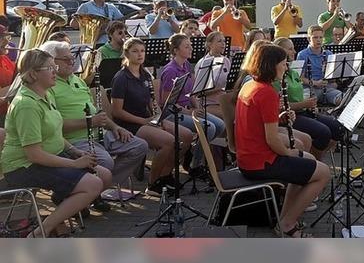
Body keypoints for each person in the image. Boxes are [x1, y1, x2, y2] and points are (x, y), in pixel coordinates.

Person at [0, 49, 106, 237]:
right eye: (49, 68)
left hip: (49, 157)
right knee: (93, 185)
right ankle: (43, 230)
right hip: (23, 166)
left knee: (103, 174)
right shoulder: (27, 104)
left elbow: (54, 134)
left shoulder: (46, 94)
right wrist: (74, 164)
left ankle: (60, 211)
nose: (55, 71)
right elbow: (34, 154)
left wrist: (74, 151)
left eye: (54, 66)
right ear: (32, 74)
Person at [235, 44, 330, 237]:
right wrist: (289, 153)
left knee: (309, 161)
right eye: (283, 64)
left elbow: (257, 122)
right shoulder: (267, 92)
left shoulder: (250, 86)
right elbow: (272, 140)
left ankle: (284, 217)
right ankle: (287, 225)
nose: (286, 68)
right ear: (271, 65)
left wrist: (279, 118)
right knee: (324, 173)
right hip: (260, 161)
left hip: (247, 157)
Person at [39, 40, 149, 208]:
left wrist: (115, 127)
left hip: (98, 134)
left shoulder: (78, 80)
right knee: (106, 162)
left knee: (139, 146)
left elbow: (96, 112)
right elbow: (54, 126)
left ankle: (90, 189)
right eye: (66, 59)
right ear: (52, 61)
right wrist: (89, 122)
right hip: (74, 140)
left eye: (72, 58)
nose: (72, 62)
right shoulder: (49, 86)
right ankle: (85, 191)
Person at [110, 38, 193, 196]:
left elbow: (151, 101)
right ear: (126, 54)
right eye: (135, 51)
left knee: (187, 136)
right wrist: (145, 121)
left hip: (147, 120)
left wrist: (157, 117)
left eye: (142, 51)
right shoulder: (121, 78)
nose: (140, 54)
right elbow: (117, 112)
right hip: (130, 124)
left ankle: (165, 175)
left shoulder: (145, 75)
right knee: (169, 141)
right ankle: (153, 183)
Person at [159, 34, 225, 171]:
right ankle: (195, 163)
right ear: (176, 50)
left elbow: (193, 91)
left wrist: (197, 107)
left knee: (220, 125)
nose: (191, 48)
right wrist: (190, 112)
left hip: (188, 109)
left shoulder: (186, 65)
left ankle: (193, 151)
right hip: (173, 113)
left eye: (191, 45)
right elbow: (166, 103)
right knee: (209, 127)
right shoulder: (170, 71)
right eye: (187, 46)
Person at [274, 37, 342, 161]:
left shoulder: (293, 72)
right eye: (290, 49)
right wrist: (303, 104)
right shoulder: (276, 75)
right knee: (323, 132)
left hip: (304, 111)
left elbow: (300, 94)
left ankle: (315, 156)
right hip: (290, 116)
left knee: (337, 127)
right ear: (280, 51)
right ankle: (314, 162)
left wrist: (310, 105)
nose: (294, 52)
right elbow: (279, 107)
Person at [296, 26, 342, 106]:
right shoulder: (302, 55)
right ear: (308, 39)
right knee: (307, 104)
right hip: (310, 89)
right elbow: (299, 78)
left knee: (342, 99)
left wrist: (333, 80)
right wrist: (315, 83)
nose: (318, 40)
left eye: (321, 37)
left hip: (327, 88)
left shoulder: (328, 54)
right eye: (315, 37)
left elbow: (333, 76)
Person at [193, 31, 231, 120]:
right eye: (219, 41)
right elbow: (199, 93)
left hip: (224, 101)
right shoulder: (203, 63)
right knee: (229, 116)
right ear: (209, 44)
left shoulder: (226, 60)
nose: (223, 44)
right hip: (209, 104)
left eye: (224, 41)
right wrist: (220, 88)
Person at [0, 25, 16, 125]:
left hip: (9, 112)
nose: (7, 42)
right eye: (2, 38)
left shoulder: (4, 58)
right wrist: (23, 82)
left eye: (8, 38)